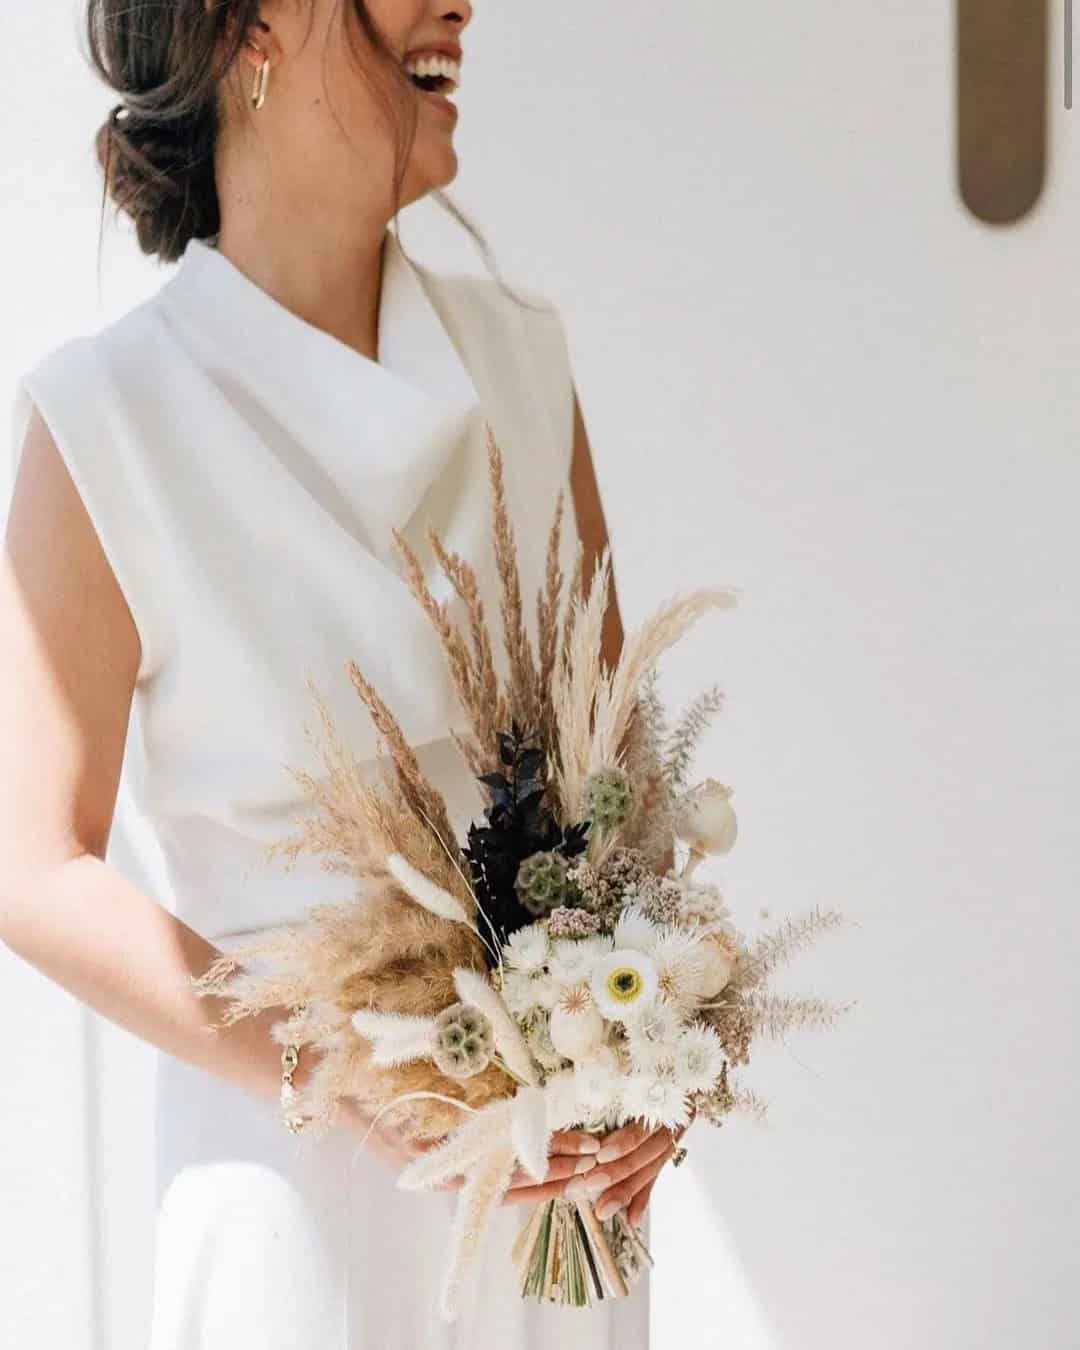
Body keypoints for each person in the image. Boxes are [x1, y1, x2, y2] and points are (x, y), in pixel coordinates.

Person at [1, 1, 688, 1344]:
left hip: (551, 1209)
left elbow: (620, 783)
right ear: (247, 26)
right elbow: (29, 864)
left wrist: (652, 1046)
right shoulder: (110, 420)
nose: (459, 5)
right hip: (297, 1201)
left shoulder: (520, 362)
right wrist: (353, 1084)